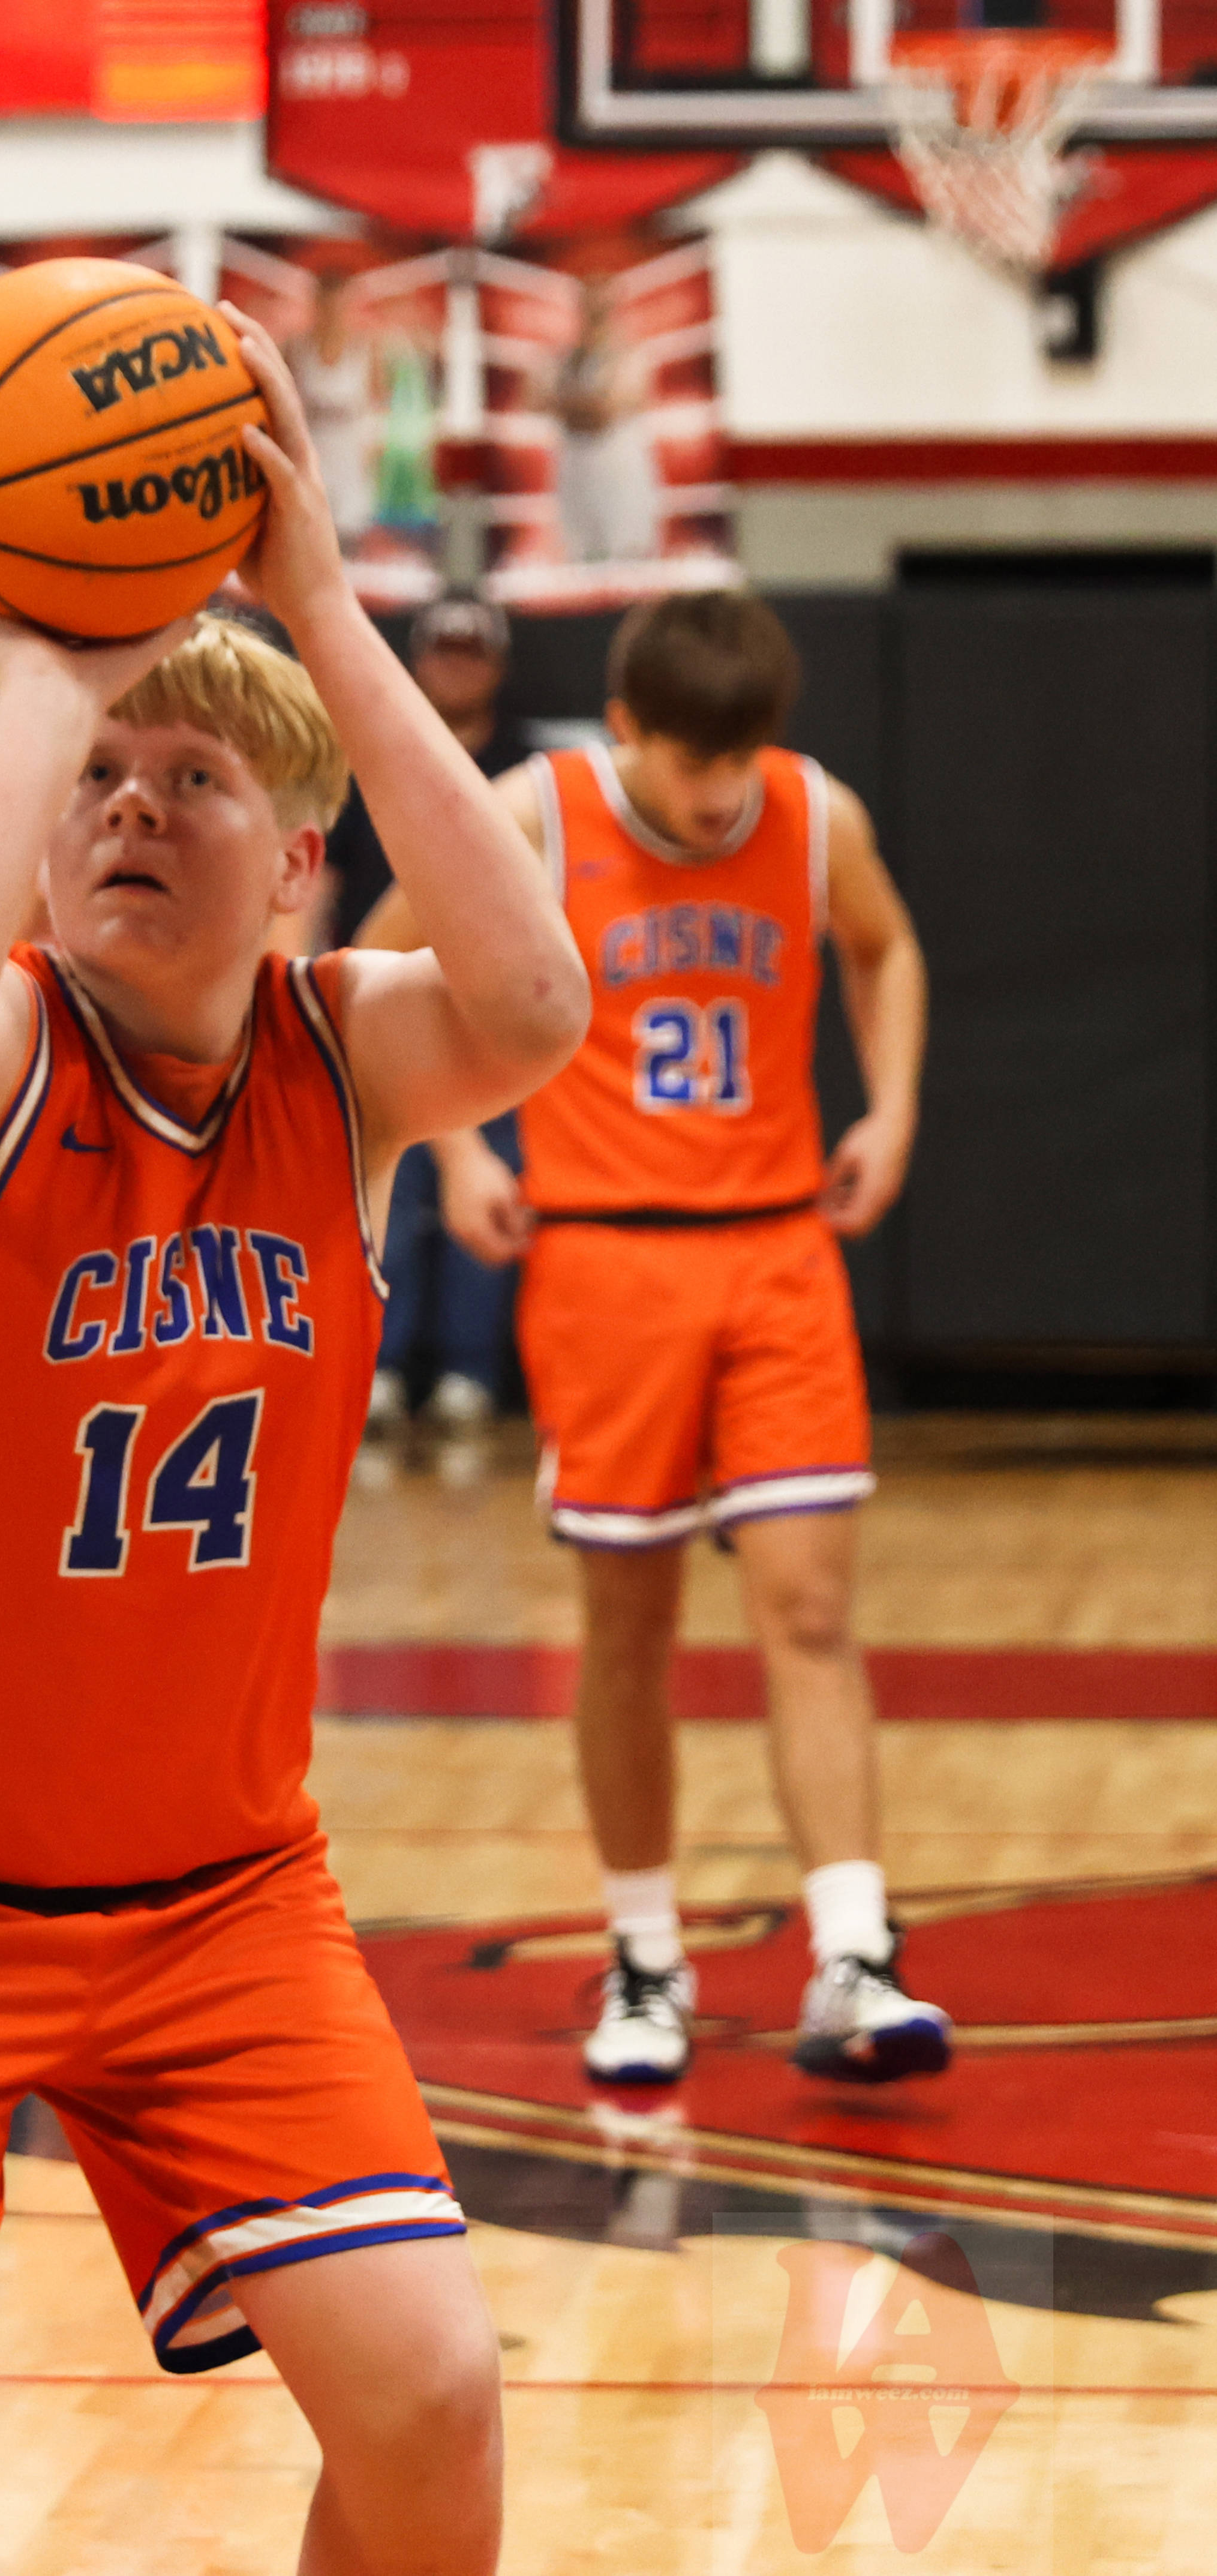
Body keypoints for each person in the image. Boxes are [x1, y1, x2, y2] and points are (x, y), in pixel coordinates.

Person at [0, 314, 586, 2575]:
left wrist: (323, 606)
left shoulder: (338, 1059)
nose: (130, 805)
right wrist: (45, 680)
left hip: (215, 1902)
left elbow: (537, 1004)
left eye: (194, 780)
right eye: (100, 775)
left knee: (436, 2401)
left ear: (296, 864)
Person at [359, 592, 951, 2089]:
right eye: (694, 761)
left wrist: (889, 1111)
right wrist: (456, 1148)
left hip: (776, 1251)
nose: (720, 790)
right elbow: (379, 963)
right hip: (604, 1258)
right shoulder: (532, 812)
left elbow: (884, 949)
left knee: (808, 1609)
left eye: (742, 756)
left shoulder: (812, 815)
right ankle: (642, 1955)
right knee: (626, 1624)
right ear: (624, 728)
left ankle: (854, 1953)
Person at [333, 594, 531, 1433]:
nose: (456, 665)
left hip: (492, 1007)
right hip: (387, 997)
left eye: (470, 651)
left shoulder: (525, 775)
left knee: (489, 1180)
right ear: (416, 659)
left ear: (497, 665)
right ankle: (377, 1361)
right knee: (385, 1178)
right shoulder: (374, 758)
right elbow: (326, 888)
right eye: (443, 650)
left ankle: (467, 1370)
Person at [551, 278, 658, 567]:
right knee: (583, 557)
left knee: (625, 559)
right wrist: (585, 406)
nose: (595, 313)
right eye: (590, 305)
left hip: (618, 473)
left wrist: (570, 406)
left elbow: (607, 411)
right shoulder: (568, 358)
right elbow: (537, 400)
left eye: (602, 305)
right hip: (579, 471)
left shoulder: (631, 354)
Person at [287, 269, 374, 551]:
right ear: (317, 305)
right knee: (309, 536)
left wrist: (371, 455)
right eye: (327, 306)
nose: (333, 314)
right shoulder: (295, 348)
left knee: (348, 541)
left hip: (350, 457)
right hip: (311, 454)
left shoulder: (366, 349)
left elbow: (378, 409)